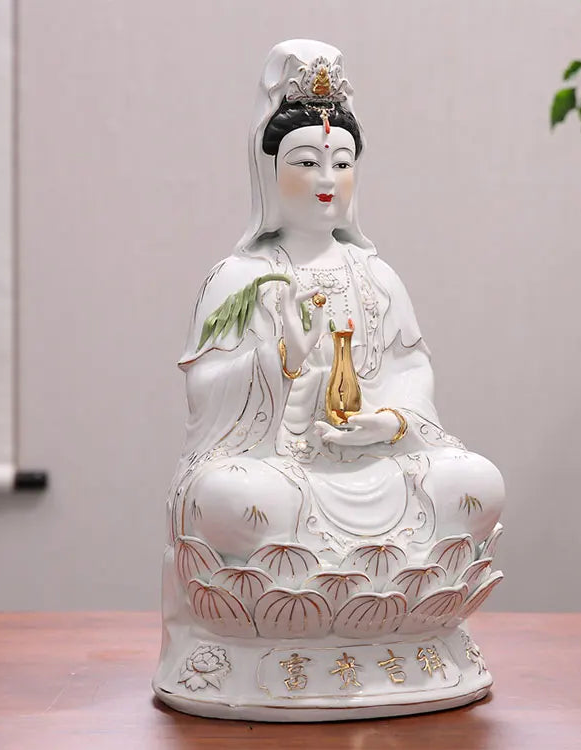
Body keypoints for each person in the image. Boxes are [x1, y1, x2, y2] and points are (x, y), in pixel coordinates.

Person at [166, 39, 505, 569]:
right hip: (281, 471)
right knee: (233, 499)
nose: (327, 180)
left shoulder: (377, 276)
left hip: (377, 464)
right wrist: (281, 358)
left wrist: (391, 422)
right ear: (269, 172)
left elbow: (411, 371)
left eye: (341, 163)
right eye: (307, 162)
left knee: (476, 482)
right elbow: (203, 393)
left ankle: (357, 581)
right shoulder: (240, 278)